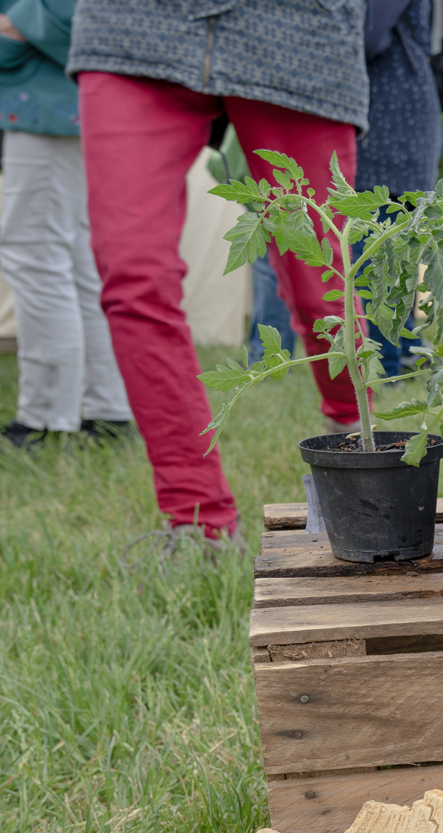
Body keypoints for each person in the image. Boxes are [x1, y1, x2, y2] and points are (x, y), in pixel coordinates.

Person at [67, 0, 370, 541]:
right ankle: (196, 519)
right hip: (134, 25)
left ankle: (363, 456)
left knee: (322, 281)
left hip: (296, 28)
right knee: (133, 274)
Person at [0, 0, 133, 450]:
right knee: (75, 257)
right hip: (57, 94)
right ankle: (108, 412)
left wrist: (23, 21)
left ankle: (44, 420)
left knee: (35, 255)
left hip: (44, 92)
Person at [359, 0, 443, 379]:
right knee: (396, 253)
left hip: (391, 121)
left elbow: (369, 36)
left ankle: (388, 367)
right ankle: (405, 350)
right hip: (406, 118)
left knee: (376, 253)